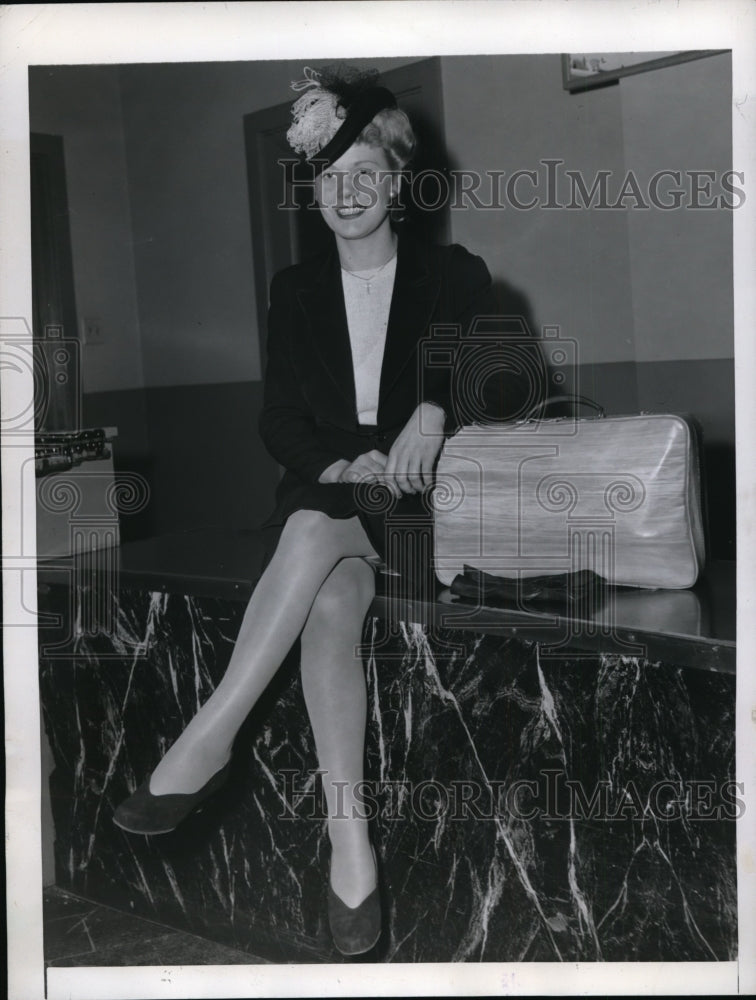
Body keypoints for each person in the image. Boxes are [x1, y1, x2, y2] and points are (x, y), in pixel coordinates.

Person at [114, 65, 537, 956]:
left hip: (425, 515)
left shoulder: (456, 274)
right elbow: (278, 419)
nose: (346, 194)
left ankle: (209, 738)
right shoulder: (294, 292)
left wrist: (431, 407)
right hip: (334, 507)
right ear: (313, 190)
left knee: (311, 532)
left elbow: (498, 375)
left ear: (398, 187)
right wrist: (338, 461)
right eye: (329, 178)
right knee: (332, 597)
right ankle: (351, 836)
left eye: (366, 176)